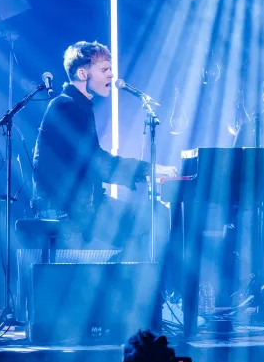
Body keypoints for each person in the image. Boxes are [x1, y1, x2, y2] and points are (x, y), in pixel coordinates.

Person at [31, 40, 174, 260]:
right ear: (82, 72)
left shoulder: (78, 106)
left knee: (154, 218)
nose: (111, 75)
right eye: (104, 69)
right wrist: (148, 170)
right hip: (65, 211)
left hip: (85, 205)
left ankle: (118, 279)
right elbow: (94, 162)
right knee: (151, 221)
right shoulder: (65, 106)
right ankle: (115, 282)